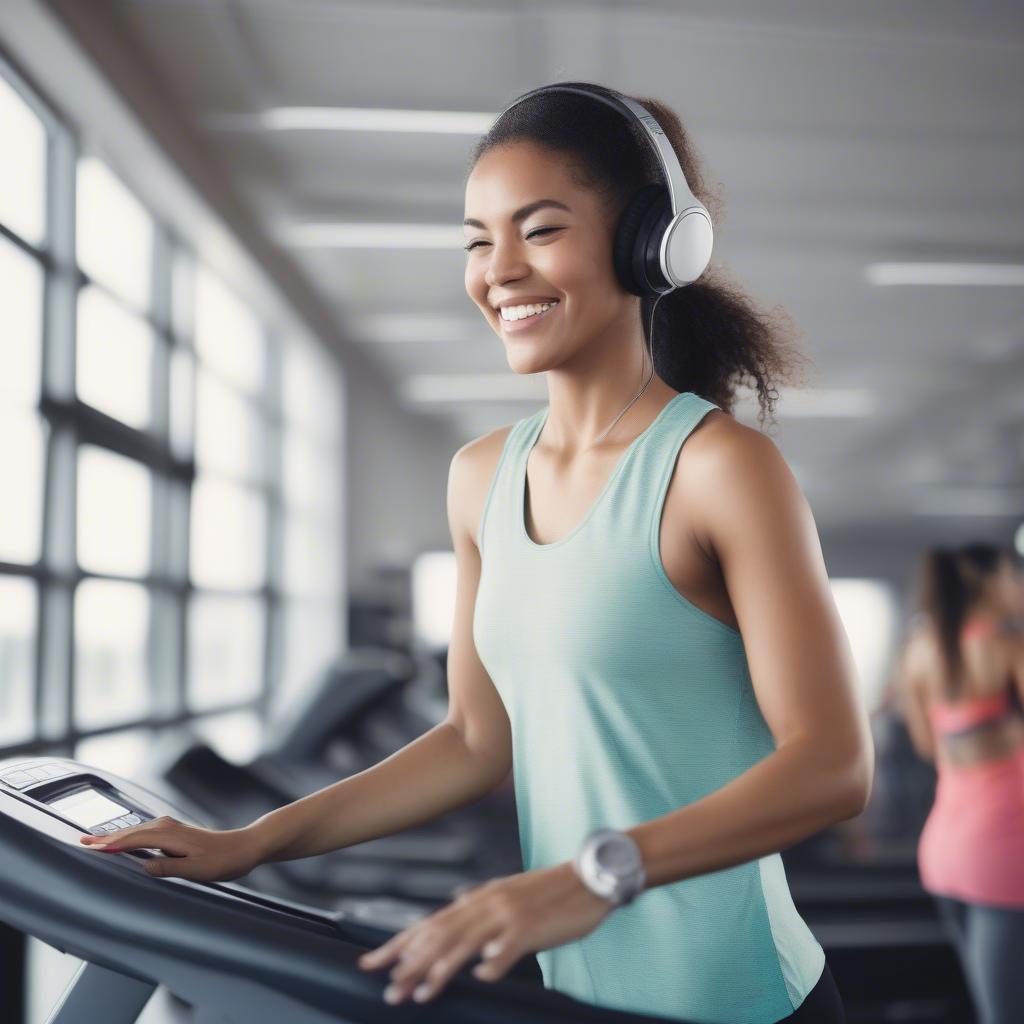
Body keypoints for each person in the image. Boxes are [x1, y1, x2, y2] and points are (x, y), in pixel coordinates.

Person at [80, 81, 873, 1024]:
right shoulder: (480, 477)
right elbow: (473, 740)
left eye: (539, 230)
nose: (498, 269)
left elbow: (832, 765)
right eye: (476, 238)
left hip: (745, 999)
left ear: (648, 242)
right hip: (580, 994)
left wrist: (594, 874)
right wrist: (251, 841)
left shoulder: (720, 470)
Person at [895, 544, 1024, 1024]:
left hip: (947, 850)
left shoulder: (921, 653)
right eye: (1016, 575)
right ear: (990, 581)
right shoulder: (1008, 647)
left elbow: (929, 747)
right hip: (1006, 852)